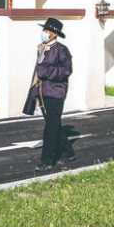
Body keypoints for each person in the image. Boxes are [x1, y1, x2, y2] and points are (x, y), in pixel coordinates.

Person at [23, 17, 75, 171]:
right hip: (42, 92)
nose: (44, 33)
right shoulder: (41, 48)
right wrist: (33, 91)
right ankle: (68, 152)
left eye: (47, 30)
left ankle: (47, 161)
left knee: (50, 128)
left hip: (55, 92)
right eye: (44, 30)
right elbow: (37, 72)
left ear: (54, 33)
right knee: (54, 124)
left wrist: (48, 72)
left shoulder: (62, 50)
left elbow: (66, 70)